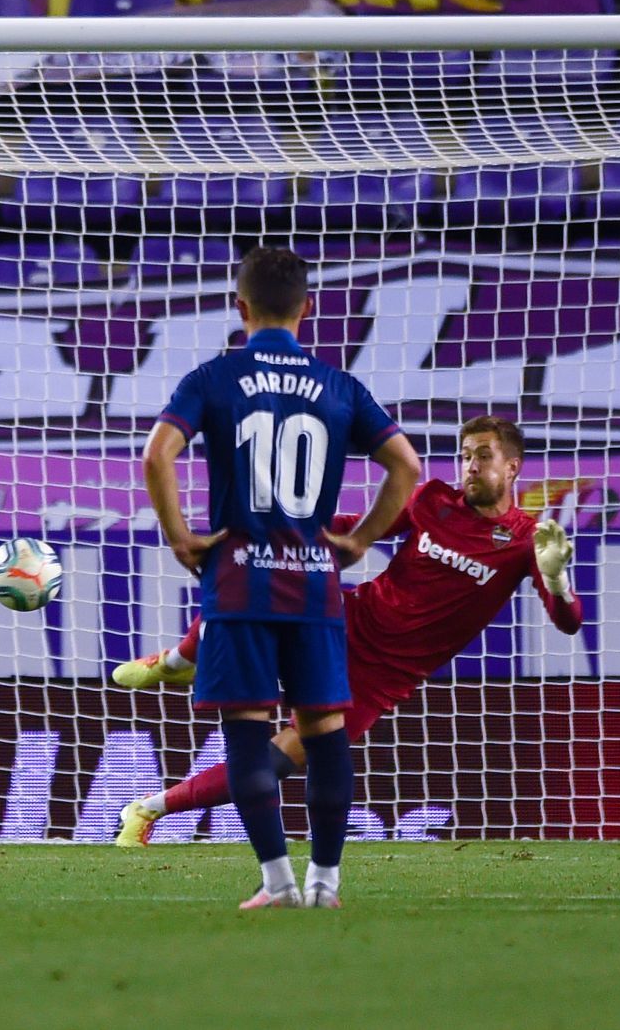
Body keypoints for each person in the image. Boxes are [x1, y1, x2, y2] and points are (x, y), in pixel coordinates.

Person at [115, 415, 582, 846]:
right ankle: (177, 662)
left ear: (513, 466)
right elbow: (359, 527)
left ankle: (147, 811)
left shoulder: (530, 540)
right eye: (464, 455)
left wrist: (558, 581)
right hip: (347, 620)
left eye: (483, 455)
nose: (470, 466)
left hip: (382, 677)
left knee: (282, 760)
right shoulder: (434, 500)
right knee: (257, 575)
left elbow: (568, 622)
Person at [144, 247, 420, 909]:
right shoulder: (339, 385)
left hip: (238, 586)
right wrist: (357, 540)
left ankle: (278, 882)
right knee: (324, 728)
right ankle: (327, 884)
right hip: (315, 587)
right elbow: (406, 466)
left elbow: (159, 453)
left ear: (240, 308)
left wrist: (181, 536)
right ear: (309, 308)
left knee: (246, 728)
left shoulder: (213, 377)